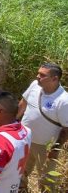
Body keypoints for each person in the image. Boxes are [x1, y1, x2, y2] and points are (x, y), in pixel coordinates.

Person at [16, 62, 68, 192]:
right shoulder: (35, 85)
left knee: (46, 179)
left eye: (42, 75)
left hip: (45, 147)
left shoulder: (63, 100)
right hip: (24, 138)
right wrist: (12, 124)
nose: (37, 76)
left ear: (54, 78)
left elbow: (66, 129)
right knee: (20, 171)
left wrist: (55, 149)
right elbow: (22, 104)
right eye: (38, 73)